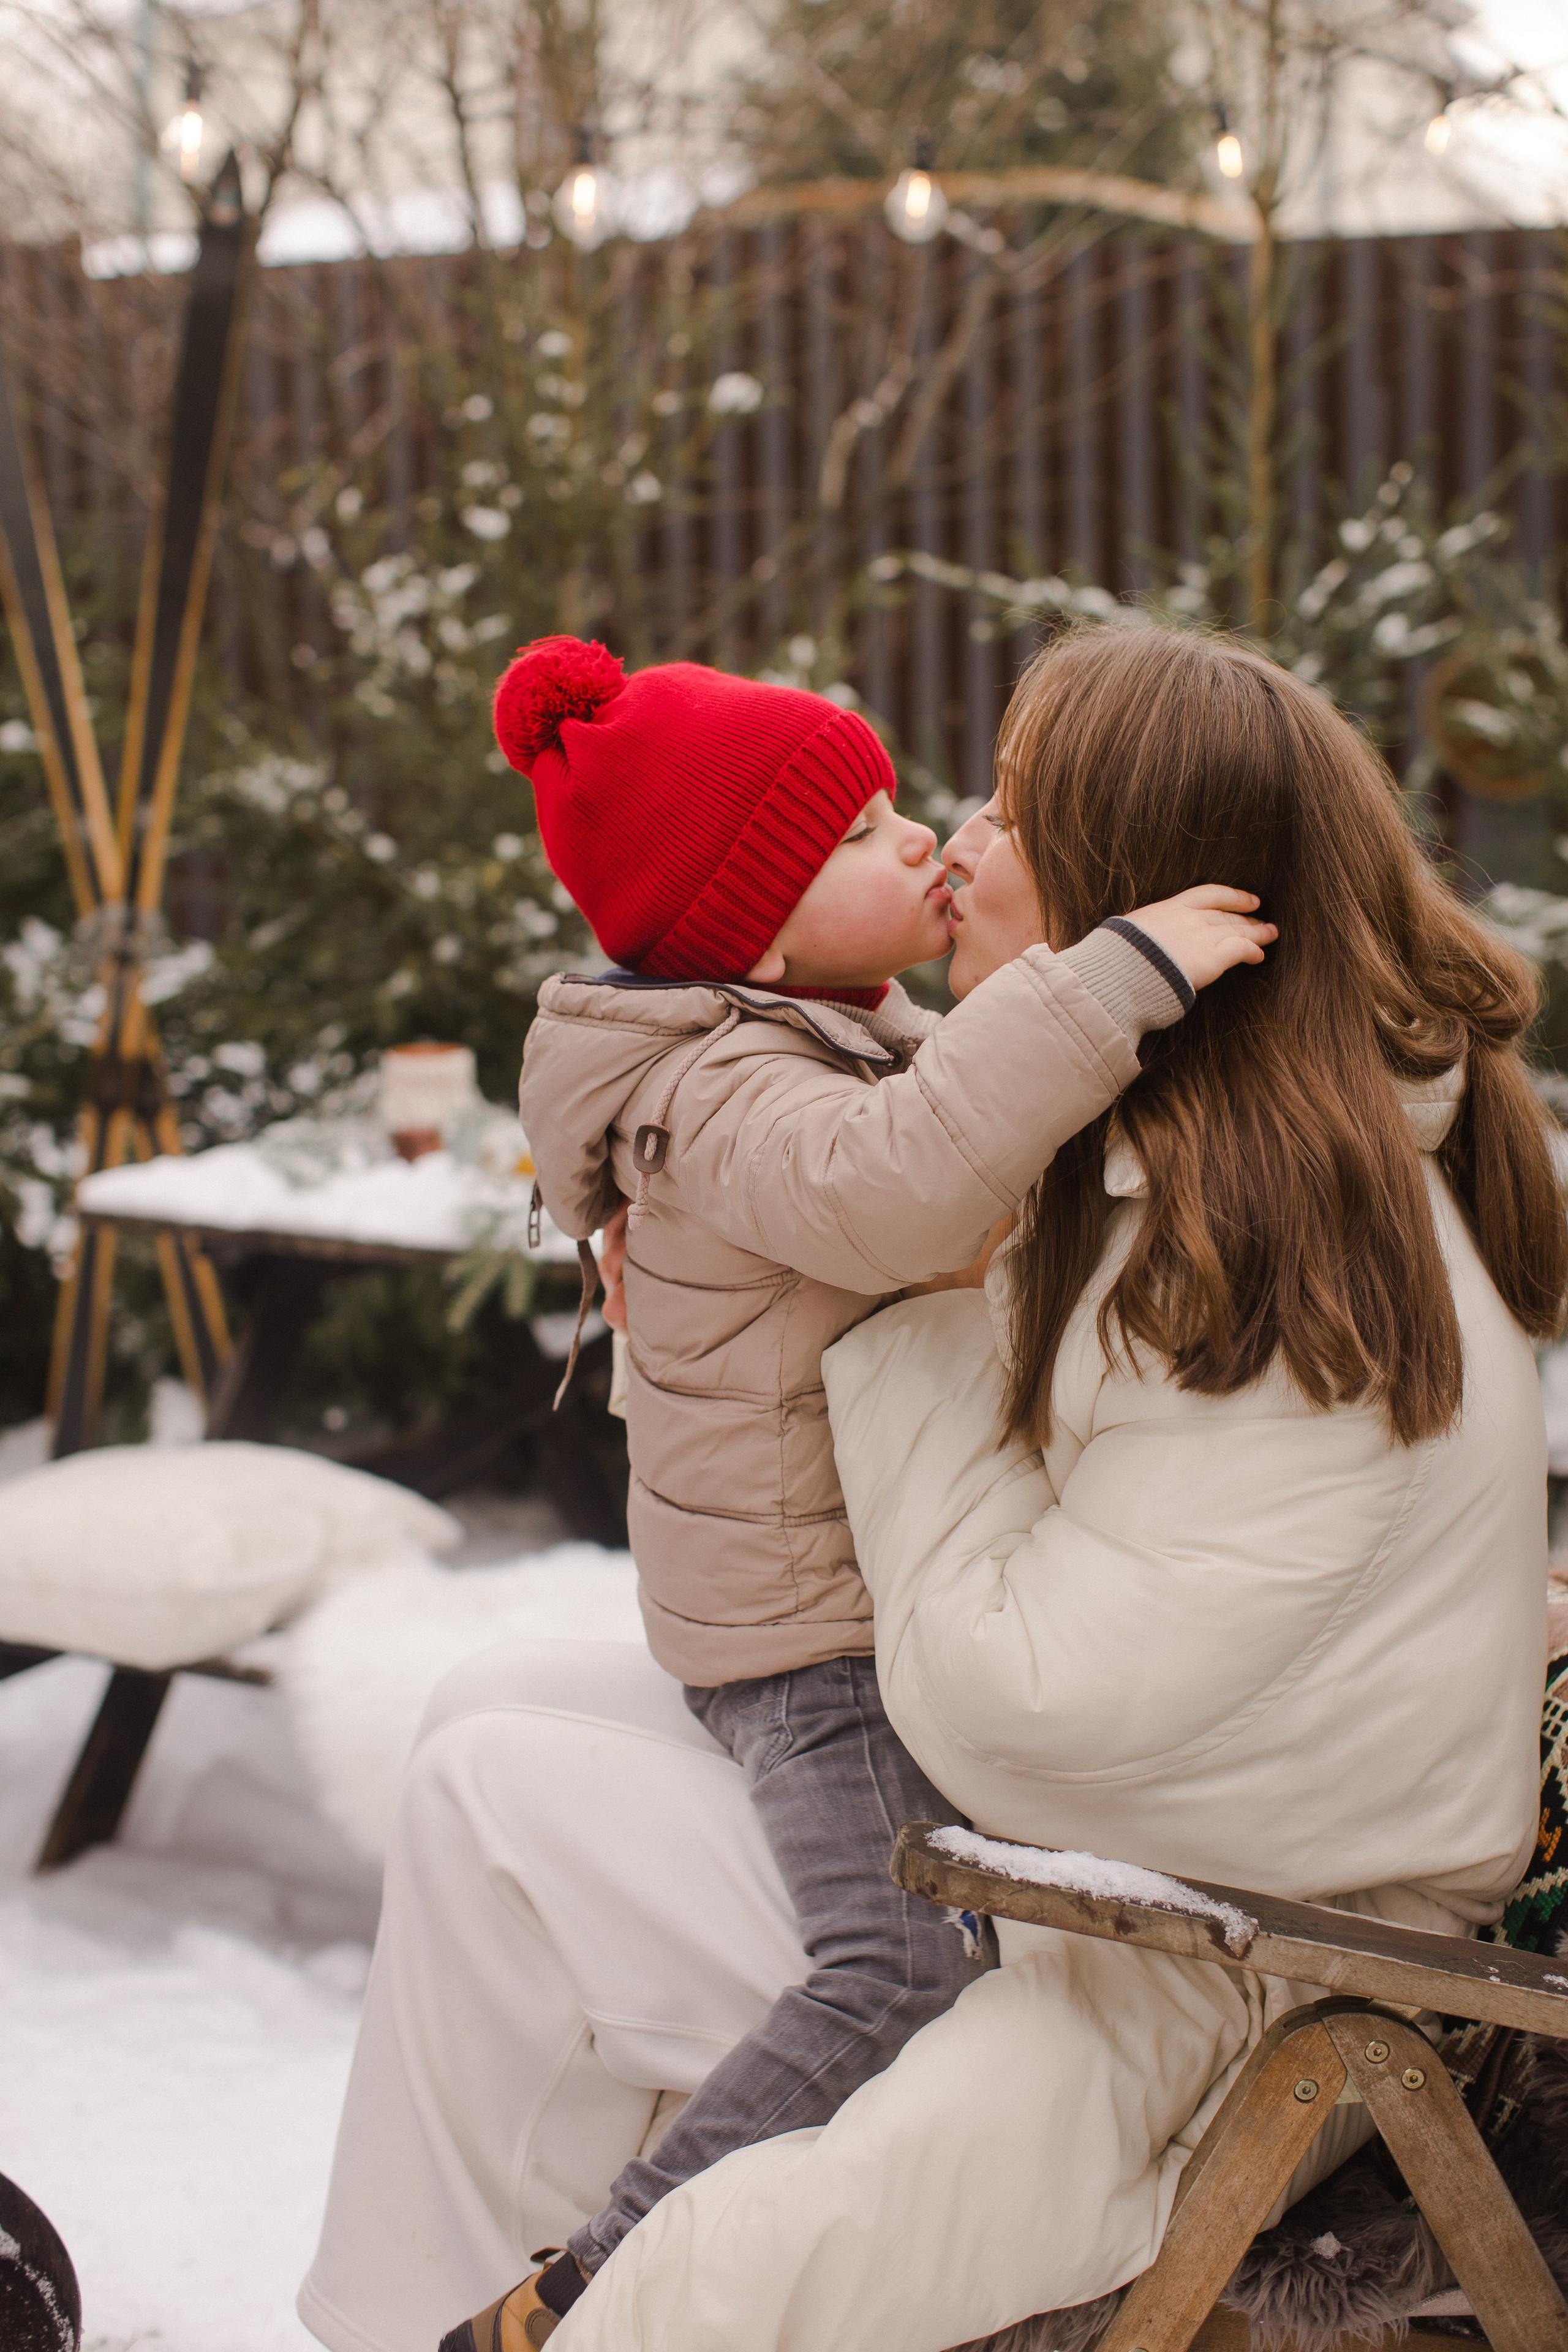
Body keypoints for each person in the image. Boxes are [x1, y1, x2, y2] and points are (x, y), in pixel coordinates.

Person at [518, 624, 1567, 2350]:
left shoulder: (1284, 1256)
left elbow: (1019, 1711)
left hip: (1223, 1922)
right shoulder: (1168, 1160)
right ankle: (472, 2299)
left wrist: (895, 1325)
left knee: (520, 1829)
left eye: (1009, 811)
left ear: (1125, 906)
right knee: (497, 1740)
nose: (956, 840)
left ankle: (534, 2301)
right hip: (1166, 1855)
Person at [450, 636, 1272, 2346]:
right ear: (749, 930)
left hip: (846, 1591)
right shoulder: (724, 1093)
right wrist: (1105, 976)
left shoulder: (819, 1036)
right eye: (858, 835)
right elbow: (907, 1193)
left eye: (908, 806)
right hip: (802, 1645)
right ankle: (591, 2289)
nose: (921, 845)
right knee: (896, 1964)